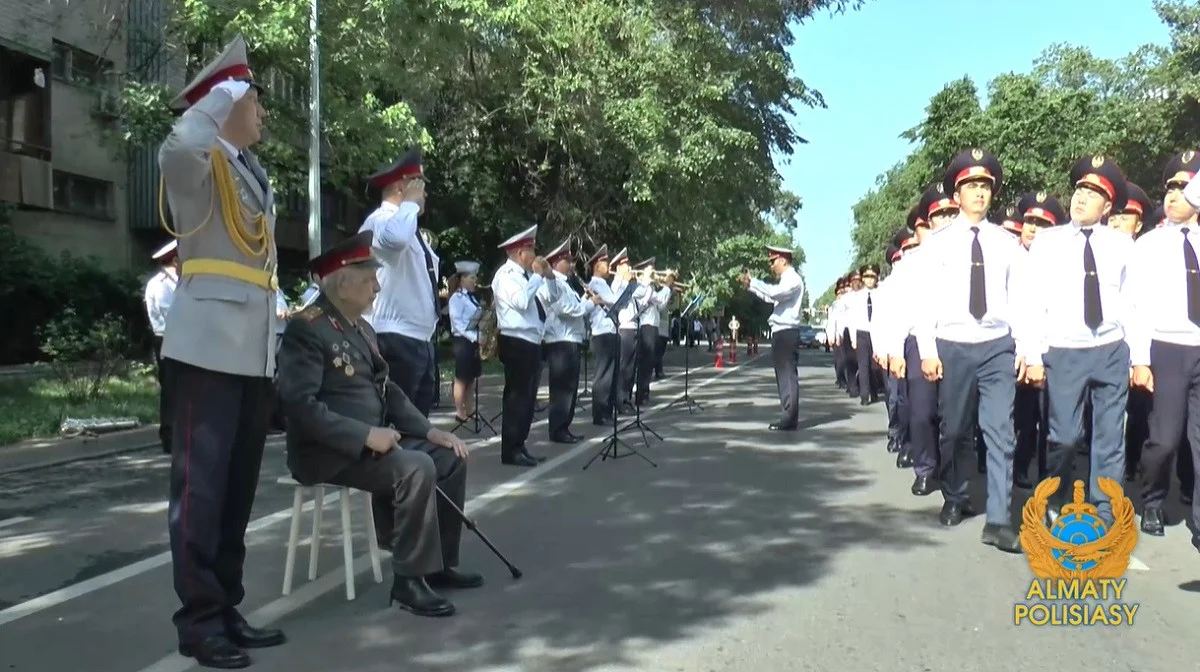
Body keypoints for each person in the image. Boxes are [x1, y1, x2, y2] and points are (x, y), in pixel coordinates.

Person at [157, 34, 285, 668]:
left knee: (235, 494)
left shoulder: (246, 169)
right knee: (200, 494)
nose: (260, 109)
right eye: (252, 96)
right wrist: (218, 95)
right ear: (228, 99)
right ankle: (199, 620)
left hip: (252, 354)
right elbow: (176, 146)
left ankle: (226, 604)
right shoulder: (198, 161)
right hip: (207, 349)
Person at [276, 230, 480, 619]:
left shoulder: (361, 328)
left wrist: (428, 430)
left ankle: (436, 565)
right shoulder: (307, 327)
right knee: (416, 467)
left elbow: (390, 392)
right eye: (369, 278)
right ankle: (408, 581)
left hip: (371, 445)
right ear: (342, 280)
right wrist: (365, 435)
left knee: (448, 456)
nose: (377, 285)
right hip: (326, 451)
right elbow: (298, 405)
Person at [912, 147, 1024, 552]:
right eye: (971, 185)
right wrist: (927, 349)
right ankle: (956, 494)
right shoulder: (938, 244)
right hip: (953, 344)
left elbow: (1020, 299)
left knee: (1000, 432)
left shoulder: (1007, 244)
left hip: (997, 345)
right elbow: (923, 300)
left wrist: (1025, 348)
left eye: (985, 185)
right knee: (955, 428)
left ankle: (999, 519)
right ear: (956, 195)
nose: (979, 192)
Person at [1019, 155, 1133, 525]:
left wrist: (1138, 356)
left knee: (1109, 438)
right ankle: (1055, 494)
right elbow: (1031, 303)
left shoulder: (1122, 244)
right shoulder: (1048, 243)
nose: (1082, 198)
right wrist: (1031, 354)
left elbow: (1135, 303)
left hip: (1111, 348)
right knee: (1065, 436)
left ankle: (1105, 507)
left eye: (1093, 193)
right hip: (1064, 350)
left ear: (1107, 206)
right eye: (1080, 189)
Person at [1126, 149, 1200, 538]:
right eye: (1169, 187)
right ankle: (1152, 500)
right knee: (1165, 439)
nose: (1173, 195)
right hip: (1167, 349)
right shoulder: (1149, 246)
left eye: (1183, 188)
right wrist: (1139, 359)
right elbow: (1135, 306)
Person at [358, 148, 440, 417]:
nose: (424, 193)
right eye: (419, 185)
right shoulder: (380, 220)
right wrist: (410, 204)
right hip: (394, 337)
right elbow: (395, 240)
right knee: (398, 424)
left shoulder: (409, 226)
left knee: (417, 425)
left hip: (419, 338)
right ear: (400, 186)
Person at [491, 225, 558, 466]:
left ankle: (520, 444)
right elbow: (520, 302)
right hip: (515, 340)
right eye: (531, 249)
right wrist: (538, 277)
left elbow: (551, 300)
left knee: (529, 398)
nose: (535, 255)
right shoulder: (505, 276)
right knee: (517, 397)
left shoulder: (529, 277)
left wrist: (548, 278)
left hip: (532, 341)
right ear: (520, 253)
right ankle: (510, 449)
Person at [539, 238, 600, 443]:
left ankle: (564, 426)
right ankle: (557, 429)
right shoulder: (553, 283)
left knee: (570, 388)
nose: (571, 264)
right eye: (567, 260)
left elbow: (574, 306)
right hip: (560, 340)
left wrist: (586, 300)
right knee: (561, 389)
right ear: (556, 263)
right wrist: (590, 304)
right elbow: (566, 310)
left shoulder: (566, 284)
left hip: (571, 339)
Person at [740, 244, 805, 431]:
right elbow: (771, 298)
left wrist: (754, 282)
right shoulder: (786, 279)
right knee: (782, 375)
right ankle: (787, 414)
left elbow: (774, 293)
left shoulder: (793, 279)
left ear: (783, 260)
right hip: (781, 331)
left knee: (787, 375)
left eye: (773, 261)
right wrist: (751, 286)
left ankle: (789, 417)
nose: (771, 265)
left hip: (786, 331)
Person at [144, 240, 179, 455]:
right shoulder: (160, 285)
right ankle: (169, 436)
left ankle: (178, 434)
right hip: (167, 339)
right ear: (175, 260)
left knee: (181, 389)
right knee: (171, 390)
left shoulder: (176, 283)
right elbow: (172, 314)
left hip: (179, 339)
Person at [585, 245, 620, 425]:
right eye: (605, 263)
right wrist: (623, 280)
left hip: (610, 331)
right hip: (602, 333)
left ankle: (607, 410)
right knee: (603, 376)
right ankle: (599, 413)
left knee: (611, 375)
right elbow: (615, 302)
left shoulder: (604, 284)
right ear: (597, 266)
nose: (609, 266)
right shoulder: (595, 284)